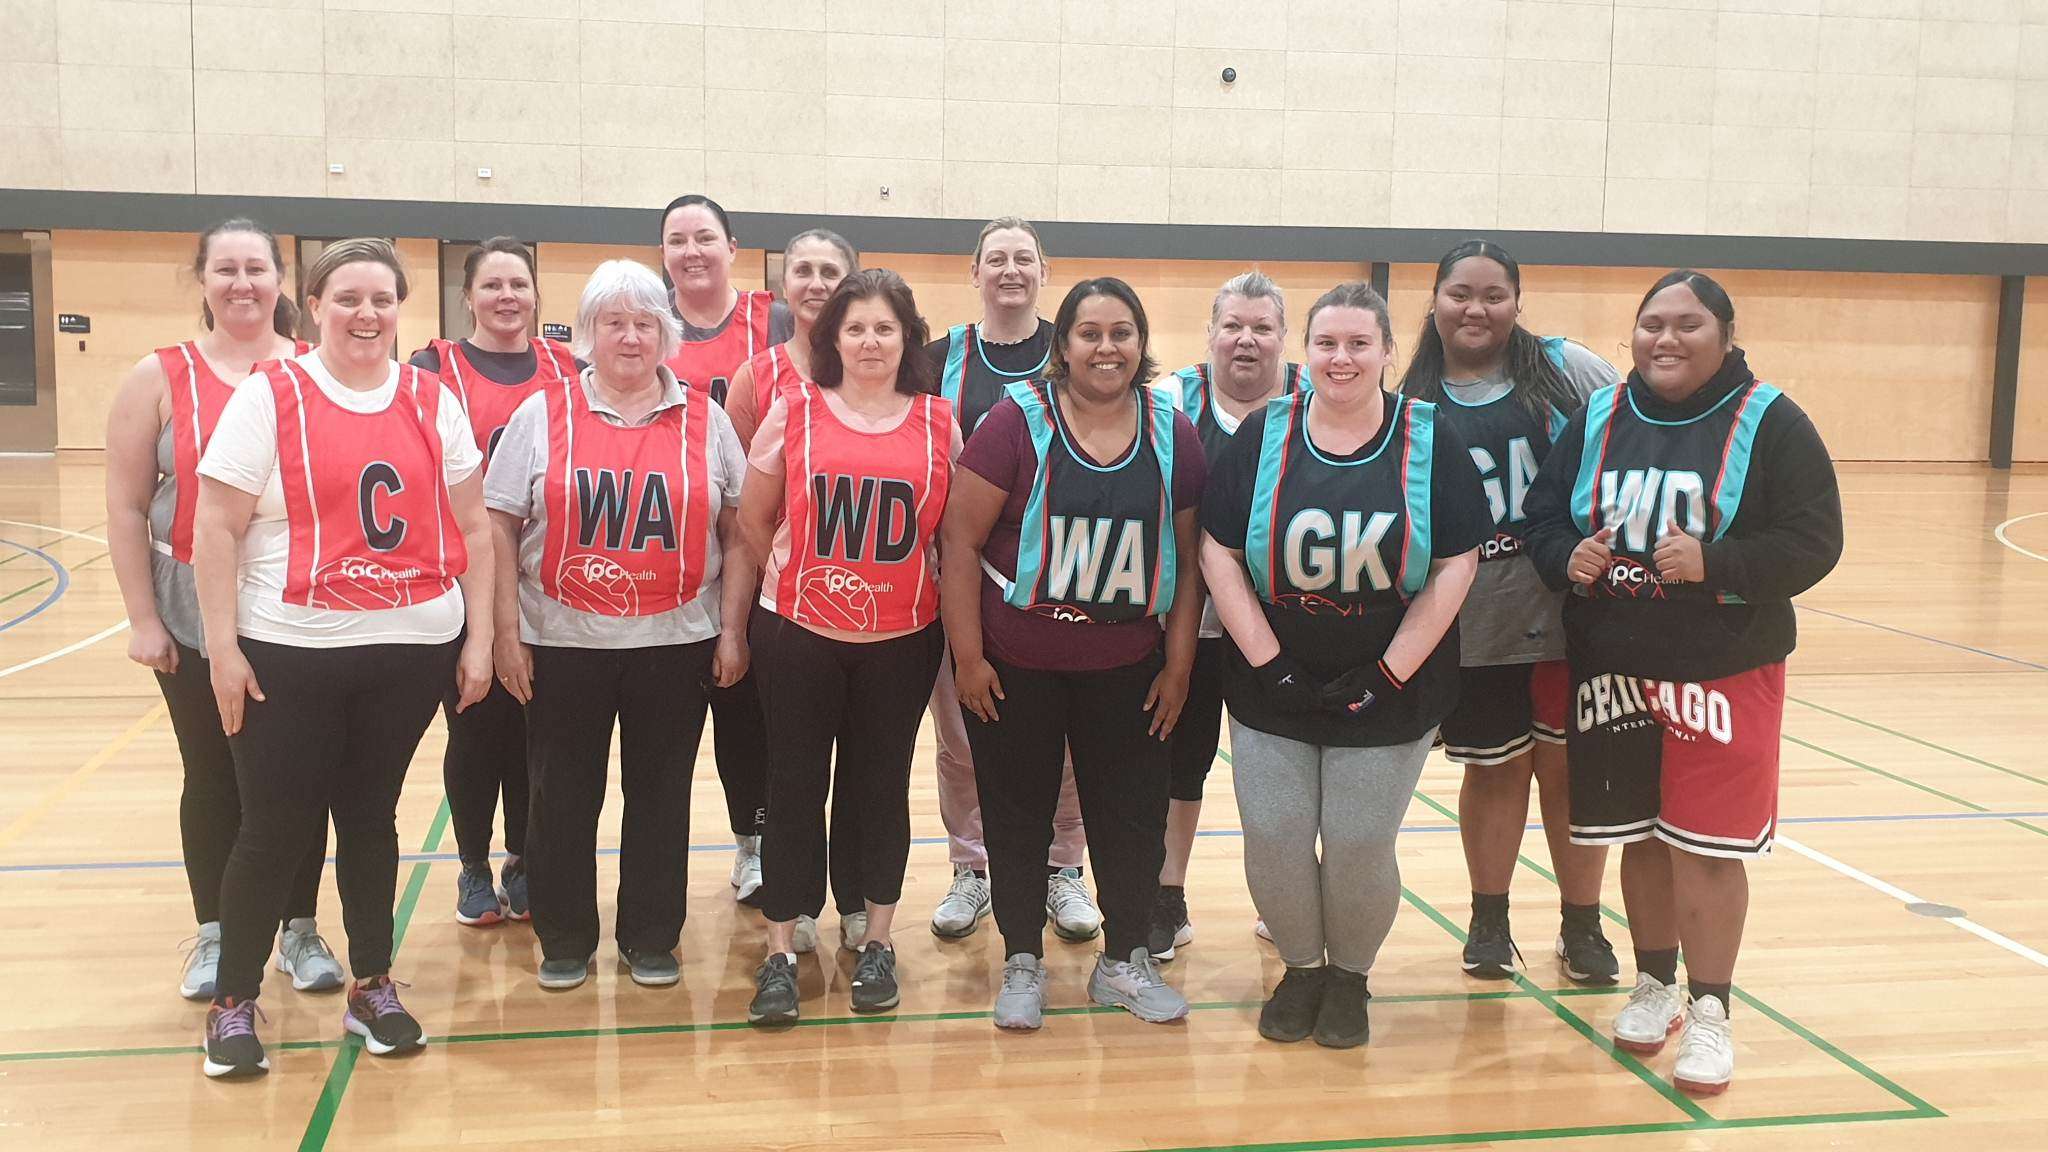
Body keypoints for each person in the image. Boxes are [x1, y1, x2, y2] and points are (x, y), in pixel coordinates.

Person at [1523, 270, 1842, 1096]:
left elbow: (1814, 542)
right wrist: (1567, 557)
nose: (1665, 339)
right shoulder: (1597, 415)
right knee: (1641, 835)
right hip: (1614, 665)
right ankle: (1655, 982)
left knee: (1706, 848)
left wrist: (1719, 564)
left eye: (1687, 324)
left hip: (1724, 666)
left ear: (1726, 336)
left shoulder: (1773, 421)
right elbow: (1542, 517)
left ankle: (1712, 1009)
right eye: (1651, 324)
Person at [192, 238, 495, 1078]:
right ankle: (233, 1003)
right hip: (289, 651)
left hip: (408, 651)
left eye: (382, 300)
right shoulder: (272, 395)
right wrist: (221, 648)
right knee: (274, 828)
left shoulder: (432, 399)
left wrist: (478, 639)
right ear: (315, 306)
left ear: (402, 309)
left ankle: (373, 986)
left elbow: (474, 527)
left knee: (371, 819)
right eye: (348, 298)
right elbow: (214, 528)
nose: (367, 314)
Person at [1199, 282, 1489, 1049]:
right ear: (1307, 352)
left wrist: (1389, 673)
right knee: (1276, 831)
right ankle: (1301, 970)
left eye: (1360, 343)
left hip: (1390, 681)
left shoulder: (1432, 440)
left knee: (1359, 839)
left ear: (1388, 354)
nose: (1342, 357)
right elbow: (1217, 552)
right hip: (1274, 677)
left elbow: (1457, 565)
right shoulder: (1264, 435)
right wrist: (1268, 661)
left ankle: (1350, 977)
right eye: (1327, 343)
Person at [942, 277, 1203, 1031]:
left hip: (1128, 667)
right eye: (1089, 332)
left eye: (1122, 332)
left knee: (1131, 819)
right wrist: (968, 657)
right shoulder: (1014, 422)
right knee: (1016, 815)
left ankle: (1123, 961)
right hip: (1016, 661)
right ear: (1063, 346)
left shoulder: (1170, 428)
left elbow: (1185, 559)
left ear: (1142, 343)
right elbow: (958, 541)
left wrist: (1179, 664)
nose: (1107, 347)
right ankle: (1022, 957)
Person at [483, 259, 748, 992]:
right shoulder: (543, 414)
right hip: (562, 643)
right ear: (588, 333)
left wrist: (731, 630)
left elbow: (739, 531)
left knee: (660, 795)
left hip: (676, 641)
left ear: (666, 335)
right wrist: (507, 632)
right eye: (613, 322)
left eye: (644, 323)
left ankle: (651, 937)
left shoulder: (709, 418)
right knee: (561, 795)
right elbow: (498, 526)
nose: (630, 337)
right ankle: (565, 936)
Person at [104, 217, 338, 1001]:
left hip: (296, 599)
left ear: (282, 282)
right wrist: (143, 617)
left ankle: (298, 928)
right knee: (212, 772)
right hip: (188, 599)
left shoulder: (318, 368)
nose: (243, 283)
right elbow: (126, 506)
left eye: (257, 269)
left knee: (300, 776)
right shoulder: (157, 376)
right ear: (202, 280)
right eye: (226, 269)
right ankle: (213, 936)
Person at [1395, 239, 1621, 985]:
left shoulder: (1569, 371)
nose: (1476, 308)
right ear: (1434, 299)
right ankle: (1489, 920)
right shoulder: (1414, 400)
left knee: (1568, 772)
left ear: (1518, 302)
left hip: (1570, 619)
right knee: (1494, 771)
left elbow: (1632, 440)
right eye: (1461, 292)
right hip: (1474, 625)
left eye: (1494, 294)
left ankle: (1581, 923)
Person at [734, 269, 956, 1024]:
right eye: (854, 327)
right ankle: (779, 952)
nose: (868, 341)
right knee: (793, 786)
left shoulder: (938, 421)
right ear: (832, 339)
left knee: (880, 786)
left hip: (901, 639)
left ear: (906, 339)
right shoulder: (792, 410)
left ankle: (878, 940)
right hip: (799, 634)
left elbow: (949, 536)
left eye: (884, 328)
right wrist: (793, 586)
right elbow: (755, 520)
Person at [921, 216, 1098, 943]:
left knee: (1064, 744)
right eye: (996, 258)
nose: (1010, 270)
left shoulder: (1081, 350)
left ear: (1044, 270)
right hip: (959, 579)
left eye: (1023, 258)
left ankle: (1064, 870)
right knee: (962, 735)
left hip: (1065, 588)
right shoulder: (938, 359)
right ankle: (973, 868)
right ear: (974, 273)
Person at [408, 236, 579, 928]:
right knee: (477, 733)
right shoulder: (432, 368)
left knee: (541, 735)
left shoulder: (570, 369)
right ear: (468, 296)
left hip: (546, 588)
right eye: (491, 285)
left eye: (518, 284)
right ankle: (473, 864)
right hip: (463, 583)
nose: (506, 297)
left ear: (537, 293)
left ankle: (527, 859)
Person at [1150, 269, 1311, 962]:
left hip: (1286, 631)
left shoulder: (1317, 399)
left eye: (1262, 328)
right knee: (1176, 767)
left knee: (1282, 772)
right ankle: (1165, 896)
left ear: (1283, 338)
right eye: (1233, 326)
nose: (1246, 340)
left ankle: (1286, 898)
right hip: (1185, 625)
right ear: (1211, 333)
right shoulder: (1168, 404)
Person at [725, 228, 870, 954]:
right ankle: (795, 900)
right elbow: (743, 509)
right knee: (795, 767)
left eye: (829, 270)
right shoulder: (758, 379)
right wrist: (784, 580)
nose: (815, 282)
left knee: (867, 770)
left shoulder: (889, 371)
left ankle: (858, 901)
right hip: (788, 612)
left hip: (877, 616)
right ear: (784, 286)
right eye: (802, 271)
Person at [658, 193, 786, 900]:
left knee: (746, 710)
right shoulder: (644, 323)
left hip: (753, 546)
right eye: (678, 240)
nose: (693, 251)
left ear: (733, 246)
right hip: (667, 551)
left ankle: (756, 845)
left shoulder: (777, 322)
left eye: (705, 236)